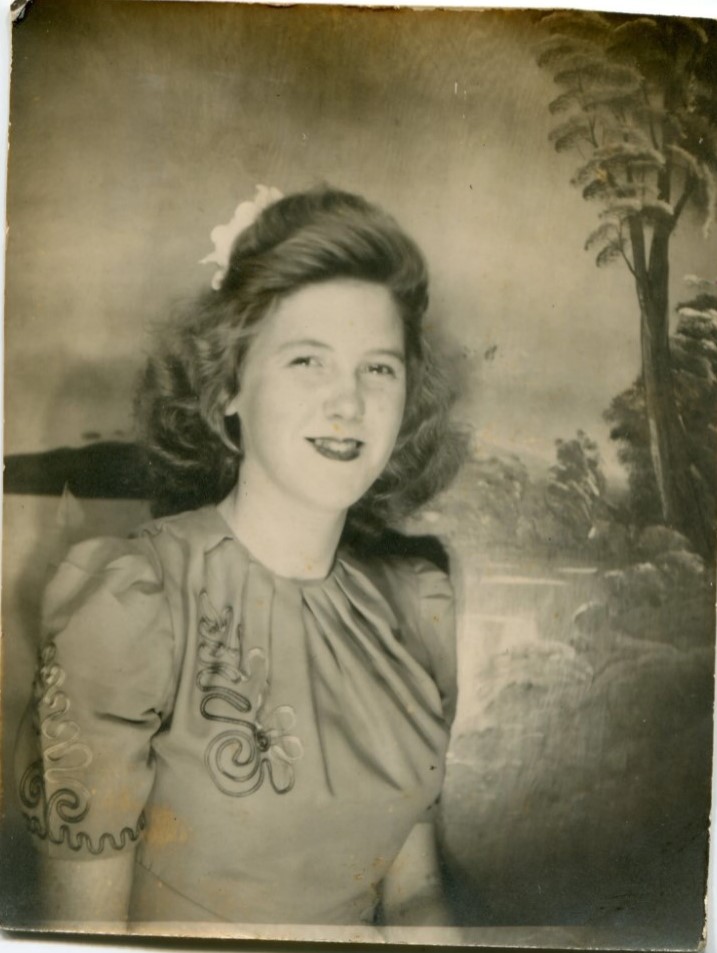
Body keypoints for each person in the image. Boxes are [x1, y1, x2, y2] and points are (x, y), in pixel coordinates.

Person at [15, 186, 465, 934]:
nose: (347, 404)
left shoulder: (412, 608)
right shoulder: (135, 600)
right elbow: (84, 940)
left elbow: (414, 899)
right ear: (228, 385)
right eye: (307, 361)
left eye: (378, 369)